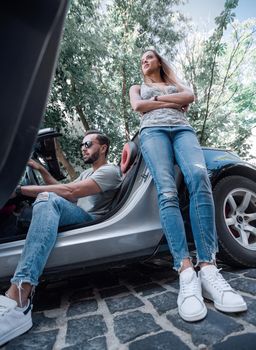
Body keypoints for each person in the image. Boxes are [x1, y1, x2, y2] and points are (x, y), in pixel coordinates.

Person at [129, 49, 247, 322]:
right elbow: (138, 106)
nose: (144, 61)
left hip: (183, 130)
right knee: (167, 192)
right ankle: (185, 271)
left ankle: (207, 268)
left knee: (200, 181)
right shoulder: (138, 87)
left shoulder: (175, 82)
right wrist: (169, 102)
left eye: (148, 57)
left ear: (159, 60)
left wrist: (157, 99)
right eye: (142, 60)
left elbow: (189, 96)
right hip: (152, 132)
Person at [0, 130, 122, 346]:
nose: (83, 147)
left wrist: (19, 191)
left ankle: (20, 295)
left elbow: (70, 191)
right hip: (79, 214)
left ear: (103, 148)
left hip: (91, 221)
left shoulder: (109, 171)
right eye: (82, 144)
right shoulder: (87, 173)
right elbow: (59, 183)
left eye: (88, 143)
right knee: (48, 197)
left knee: (48, 198)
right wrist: (38, 168)